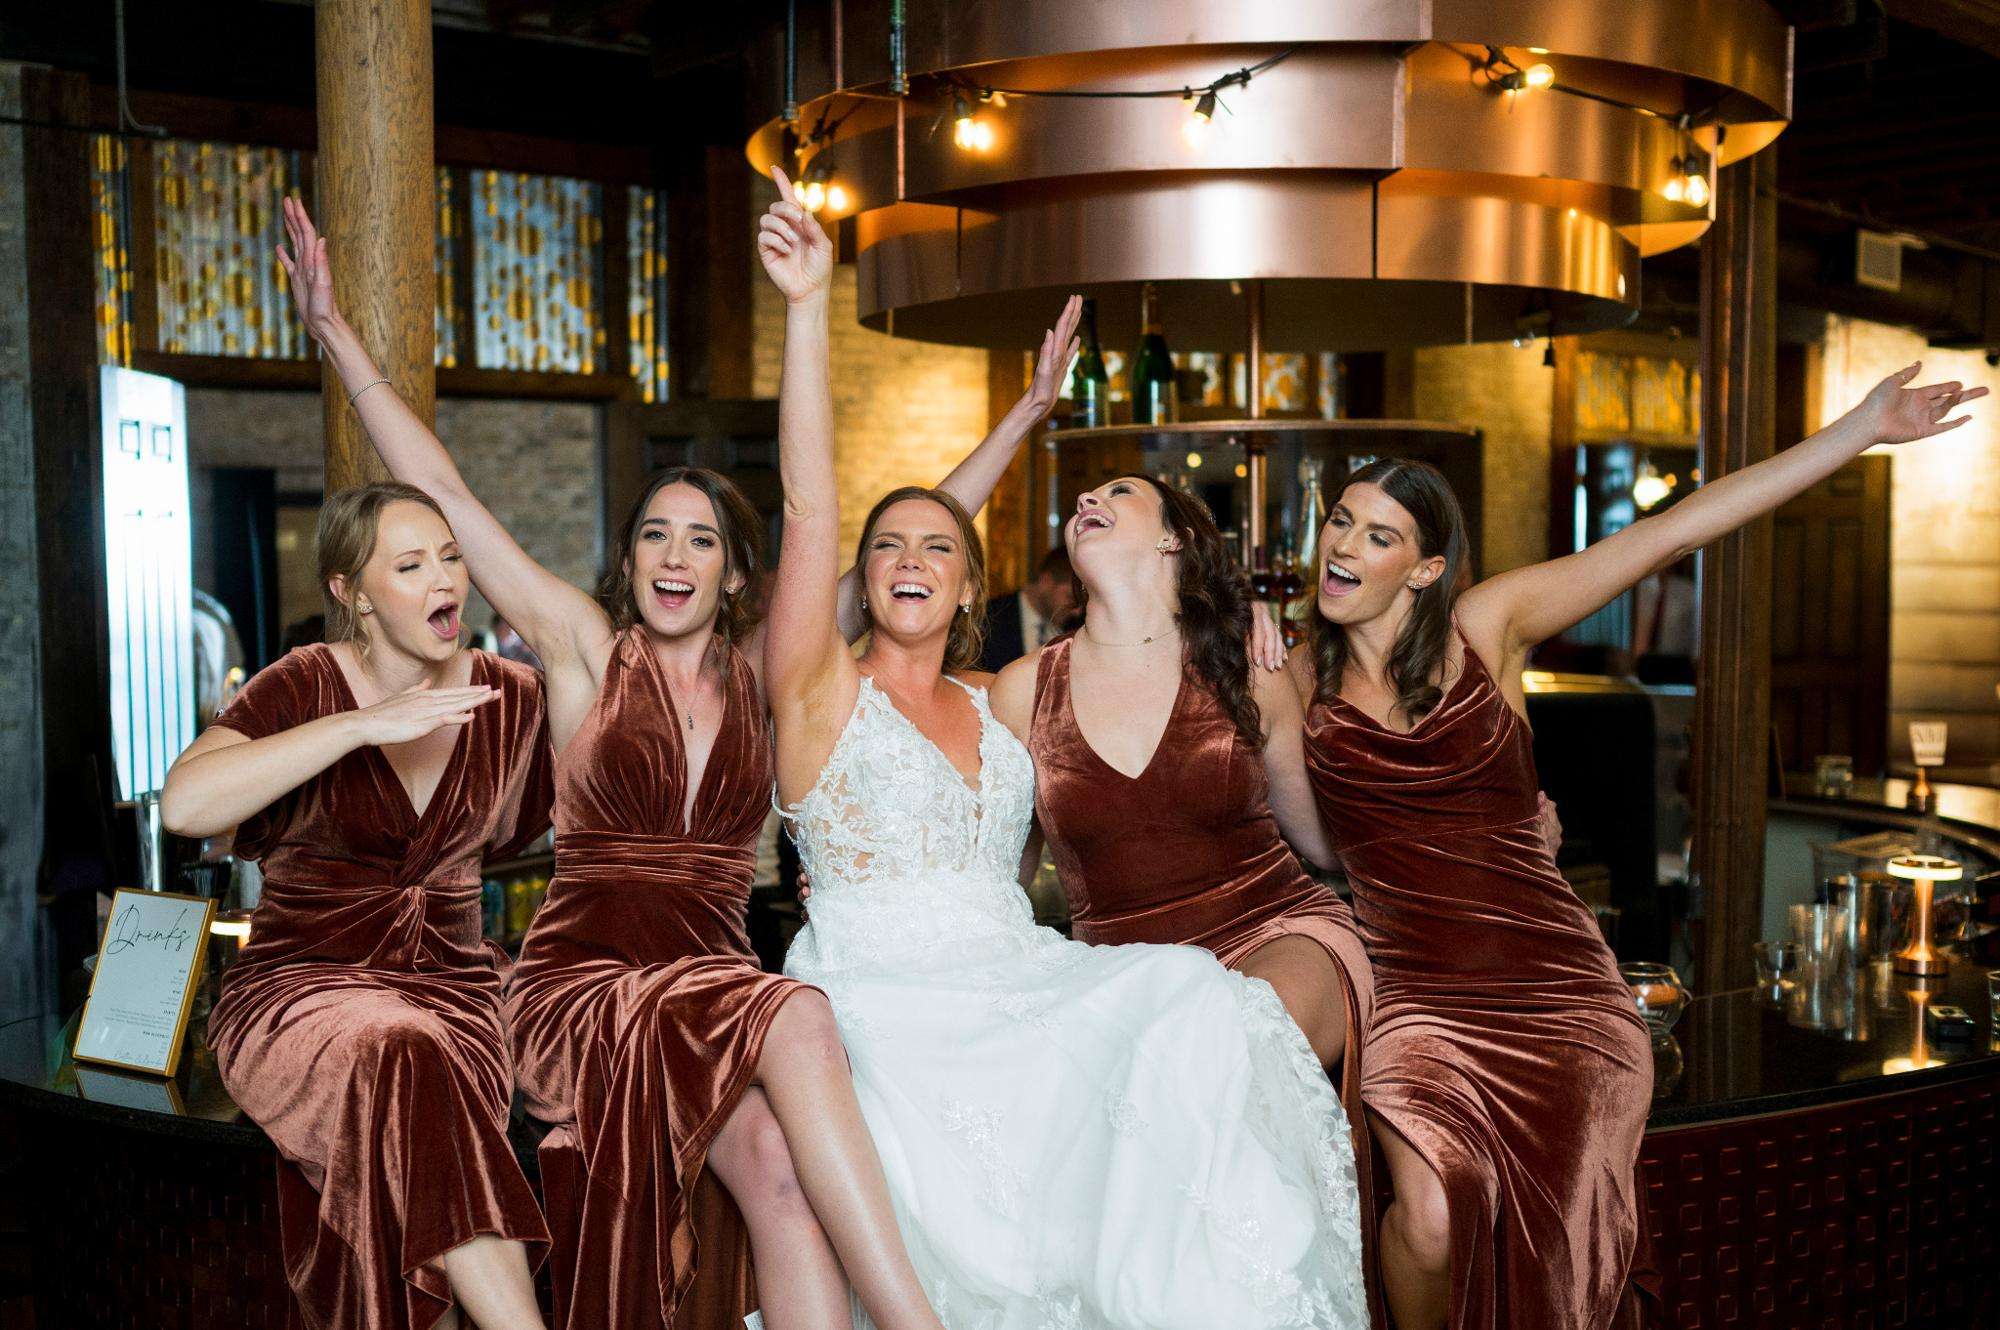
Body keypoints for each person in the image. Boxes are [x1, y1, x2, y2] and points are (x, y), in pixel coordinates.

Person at [276, 196, 1074, 1330]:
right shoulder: (583, 653)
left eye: (700, 537)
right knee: (797, 1013)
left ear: (732, 574)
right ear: (629, 556)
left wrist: (1023, 418)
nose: (673, 552)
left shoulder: (768, 676)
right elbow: (449, 494)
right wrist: (335, 337)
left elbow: (910, 541)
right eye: (654, 531)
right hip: (587, 985)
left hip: (705, 986)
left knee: (786, 1180)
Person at [759, 166, 1367, 1329]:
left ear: (971, 584)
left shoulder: (997, 702)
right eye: (887, 547)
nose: (909, 560)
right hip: (889, 998)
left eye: (937, 551)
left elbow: (994, 579)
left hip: (1023, 975)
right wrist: (804, 309)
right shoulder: (816, 698)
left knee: (1189, 1005)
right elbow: (809, 513)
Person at [1283, 365, 1984, 1330]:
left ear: (1428, 568)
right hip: (1419, 995)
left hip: (1557, 990)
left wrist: (1857, 431)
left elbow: (1677, 529)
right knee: (1431, 1222)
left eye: (1379, 535)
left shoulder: (1489, 626)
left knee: (1556, 1247)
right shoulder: (1296, 677)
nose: (1345, 547)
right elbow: (1308, 835)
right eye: (1341, 523)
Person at [162, 483, 554, 1330]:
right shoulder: (304, 682)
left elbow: (596, 822)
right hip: (300, 989)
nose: (443, 580)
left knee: (416, 1086)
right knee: (402, 1051)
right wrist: (357, 727)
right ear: (351, 593)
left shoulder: (512, 697)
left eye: (450, 557)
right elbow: (186, 806)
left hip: (456, 995)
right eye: (410, 565)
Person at [977, 545, 1076, 671]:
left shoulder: (1077, 627)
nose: (1077, 611)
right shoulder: (988, 617)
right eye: (1070, 598)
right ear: (1046, 581)